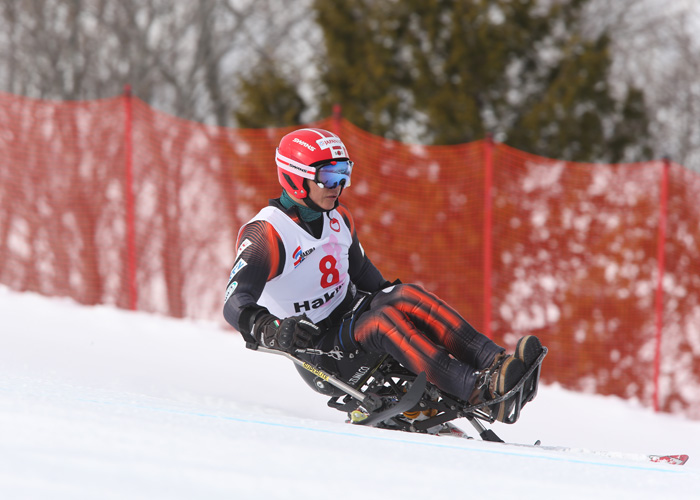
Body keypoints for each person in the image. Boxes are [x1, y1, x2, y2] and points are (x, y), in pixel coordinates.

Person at [222, 128, 543, 422]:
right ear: (296, 179)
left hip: (349, 317)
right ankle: (479, 393)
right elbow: (235, 301)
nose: (339, 186)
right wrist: (269, 328)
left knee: (407, 295)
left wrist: (397, 298)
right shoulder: (267, 234)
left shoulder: (339, 218)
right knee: (382, 322)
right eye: (330, 177)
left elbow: (361, 271)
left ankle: (497, 365)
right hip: (320, 348)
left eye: (344, 173)